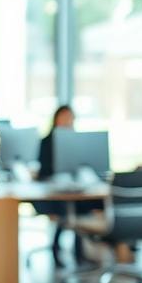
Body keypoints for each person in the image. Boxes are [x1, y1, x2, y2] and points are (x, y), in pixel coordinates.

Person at [34, 104, 100, 267]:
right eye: (64, 117)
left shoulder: (77, 141)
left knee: (81, 206)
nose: (67, 121)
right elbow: (44, 171)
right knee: (65, 209)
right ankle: (56, 249)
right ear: (56, 119)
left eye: (70, 118)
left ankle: (79, 252)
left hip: (75, 188)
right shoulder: (47, 142)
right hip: (53, 191)